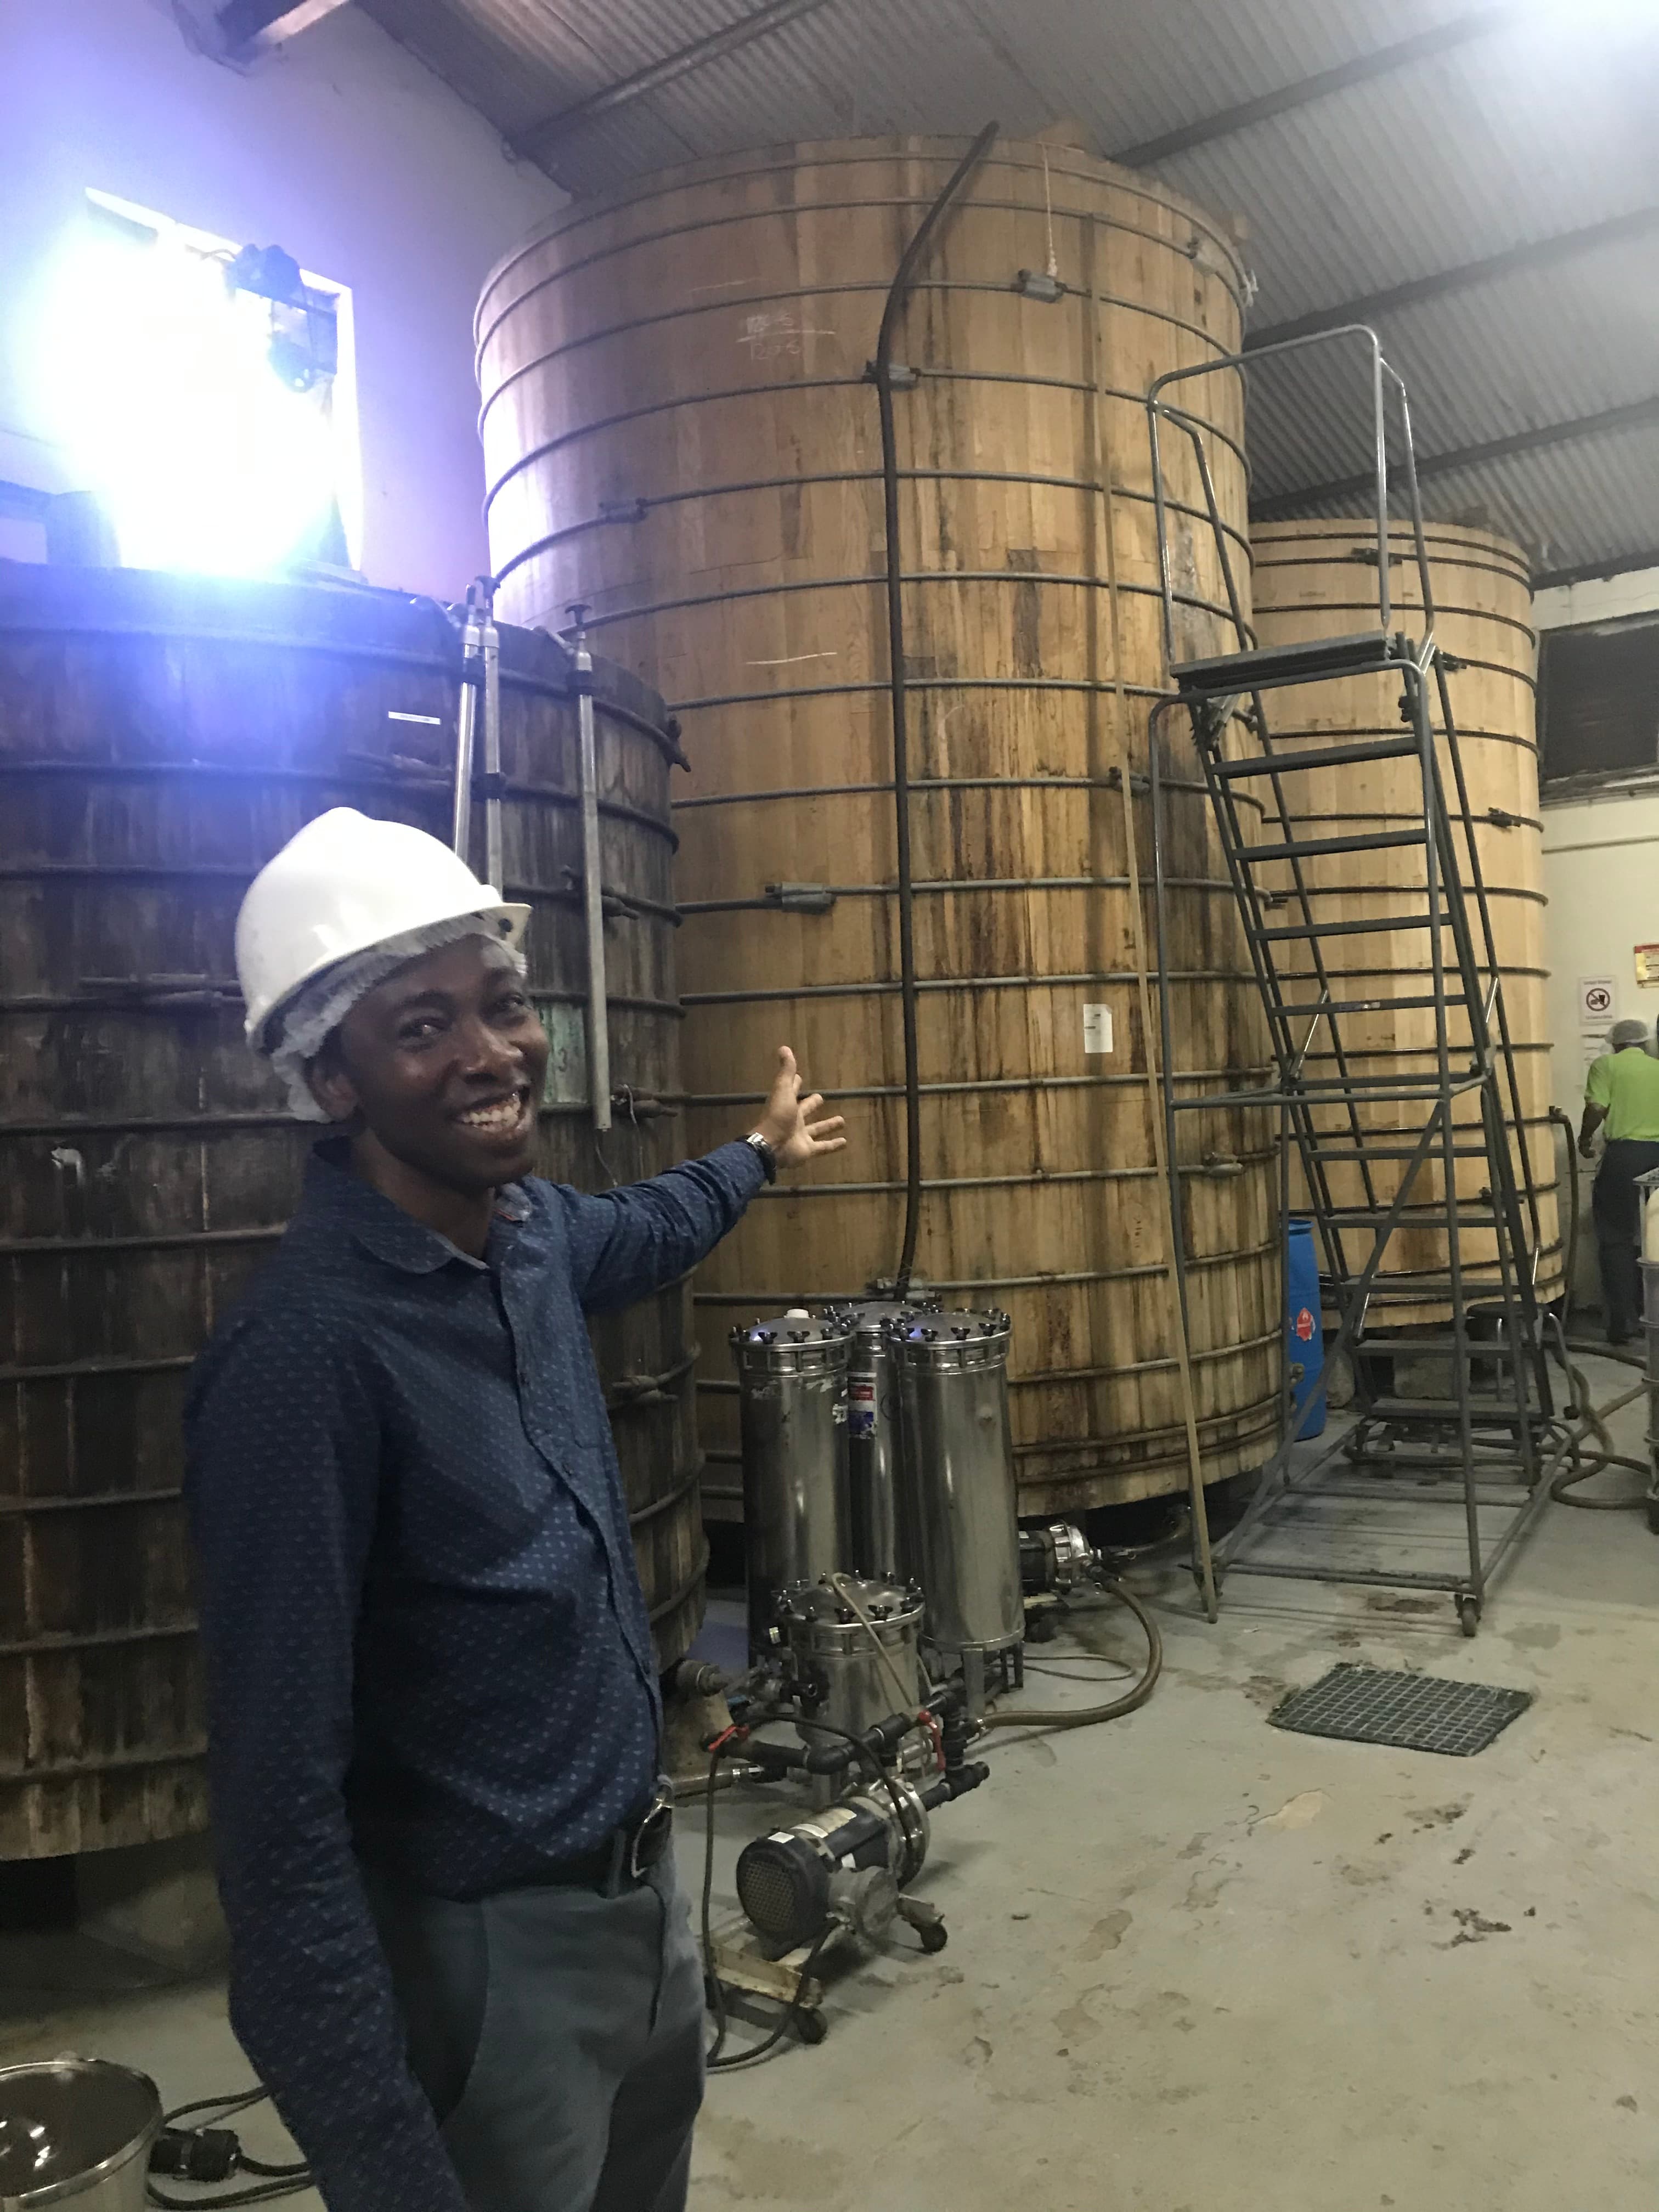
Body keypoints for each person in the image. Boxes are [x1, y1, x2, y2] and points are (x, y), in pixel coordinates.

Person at [184, 808, 847, 2212]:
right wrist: (383, 2166)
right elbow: (277, 1820)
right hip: (486, 1960)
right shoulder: (307, 1360)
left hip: (644, 1902)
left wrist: (757, 1153)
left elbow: (651, 1224)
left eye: (502, 1004)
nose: (491, 1054)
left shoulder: (531, 1239)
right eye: (423, 1027)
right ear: (332, 1079)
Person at [1578, 1015, 1659, 1345]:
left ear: (1616, 1044)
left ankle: (1624, 1322)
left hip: (1626, 1158)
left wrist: (1585, 1139)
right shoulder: (1657, 1067)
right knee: (1655, 1239)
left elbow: (1596, 1108)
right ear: (1645, 1043)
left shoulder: (1606, 1065)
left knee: (1616, 1239)